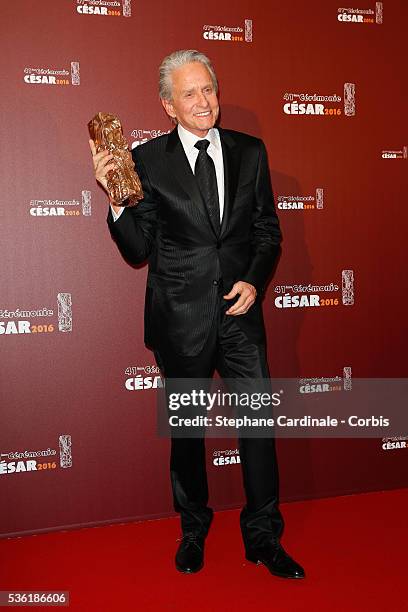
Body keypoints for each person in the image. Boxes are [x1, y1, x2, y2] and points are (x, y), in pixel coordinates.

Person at [89, 49, 305, 579]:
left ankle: (262, 537)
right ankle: (193, 530)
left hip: (240, 316)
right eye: (190, 93)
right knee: (187, 430)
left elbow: (266, 233)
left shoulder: (250, 151)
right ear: (168, 105)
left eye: (208, 88)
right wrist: (116, 199)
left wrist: (254, 281)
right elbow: (138, 248)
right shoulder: (146, 160)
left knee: (258, 427)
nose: (204, 101)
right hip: (180, 317)